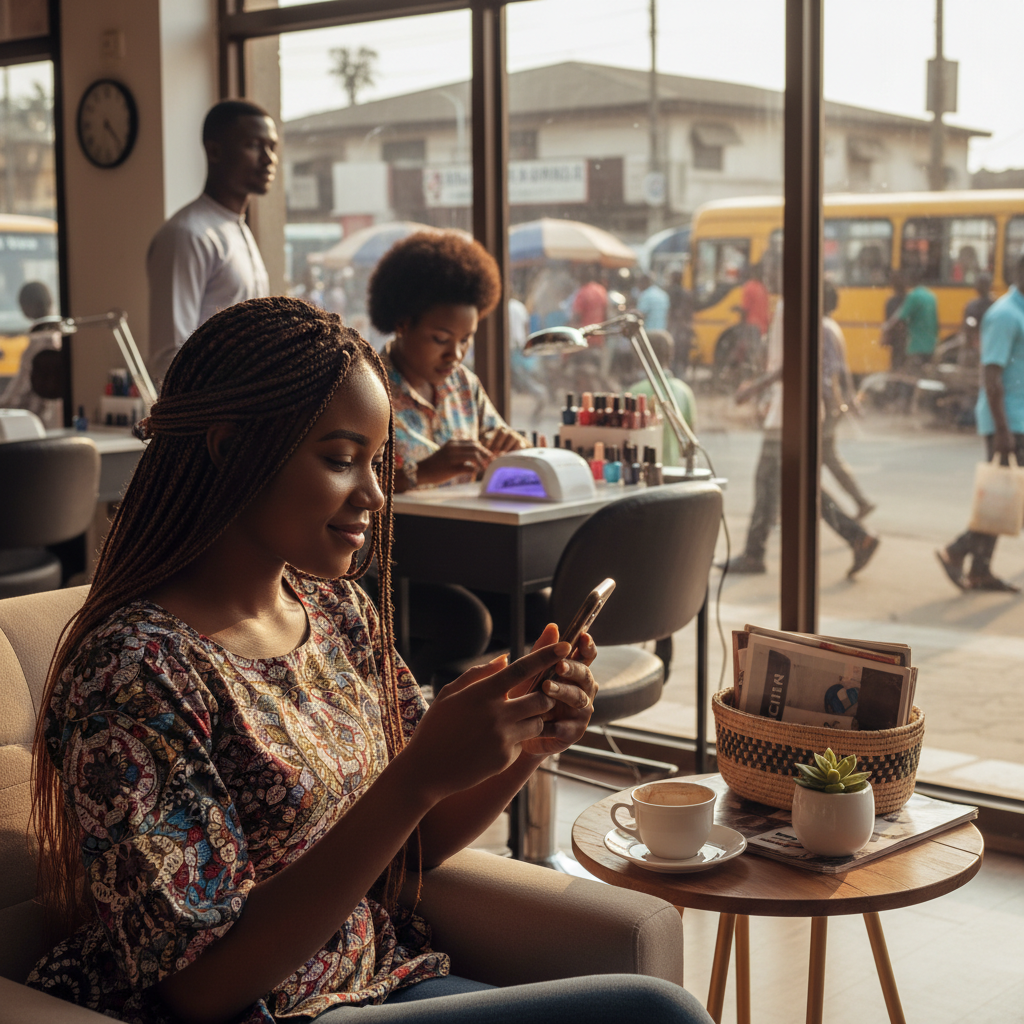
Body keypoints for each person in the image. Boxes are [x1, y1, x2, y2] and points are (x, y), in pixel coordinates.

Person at [25, 296, 712, 1024]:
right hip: (271, 1014)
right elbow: (202, 987)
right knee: (654, 1014)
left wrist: (524, 746)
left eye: (378, 462)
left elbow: (412, 848)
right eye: (341, 460)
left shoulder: (336, 613)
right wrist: (415, 774)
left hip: (383, 980)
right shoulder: (133, 671)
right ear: (229, 448)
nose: (376, 495)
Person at [366, 231, 527, 680]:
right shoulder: (367, 389)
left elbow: (500, 439)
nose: (454, 353)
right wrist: (424, 471)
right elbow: (348, 486)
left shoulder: (463, 386)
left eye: (466, 339)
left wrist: (511, 450)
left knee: (538, 610)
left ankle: (516, 732)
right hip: (396, 565)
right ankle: (415, 719)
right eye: (440, 337)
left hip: (468, 555)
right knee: (469, 624)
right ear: (402, 322)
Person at [723, 263, 879, 579]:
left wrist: (754, 389)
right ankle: (856, 537)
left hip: (790, 412)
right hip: (794, 409)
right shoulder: (796, 306)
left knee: (773, 483)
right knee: (794, 485)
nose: (768, 276)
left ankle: (756, 553)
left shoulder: (790, 306)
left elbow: (792, 361)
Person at [147, 100, 278, 383]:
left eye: (272, 147)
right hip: (210, 422)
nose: (269, 158)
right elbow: (169, 356)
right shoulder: (187, 234)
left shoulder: (237, 228)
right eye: (254, 145)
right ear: (215, 151)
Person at [937, 254, 1024, 593]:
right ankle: (956, 551)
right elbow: (991, 376)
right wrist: (1002, 431)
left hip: (1016, 417)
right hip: (1008, 420)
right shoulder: (1004, 315)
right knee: (1006, 497)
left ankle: (978, 569)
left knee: (1005, 497)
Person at [822, 281, 875, 519]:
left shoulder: (823, 328)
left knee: (823, 455)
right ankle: (860, 500)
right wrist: (850, 399)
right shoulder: (832, 326)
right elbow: (843, 369)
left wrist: (833, 403)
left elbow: (833, 371)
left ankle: (859, 503)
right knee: (827, 455)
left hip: (825, 403)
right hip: (832, 402)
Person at [627, 329, 696, 468]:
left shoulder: (633, 392)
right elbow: (690, 440)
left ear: (640, 356)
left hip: (640, 471)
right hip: (672, 472)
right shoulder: (684, 392)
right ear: (671, 355)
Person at [0, 280, 63, 428]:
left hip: (33, 423)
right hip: (50, 422)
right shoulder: (58, 336)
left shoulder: (38, 341)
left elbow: (16, 396)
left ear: (30, 305)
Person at [883, 265, 938, 372]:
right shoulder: (931, 296)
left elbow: (898, 318)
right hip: (931, 346)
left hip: (917, 347)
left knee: (911, 379)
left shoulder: (913, 296)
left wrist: (885, 330)